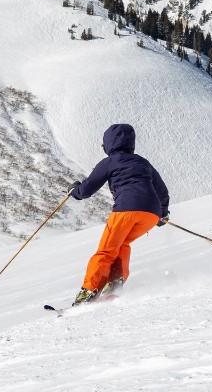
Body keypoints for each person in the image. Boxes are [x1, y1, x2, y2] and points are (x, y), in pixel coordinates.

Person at [68, 123, 170, 305]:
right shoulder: (142, 162)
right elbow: (162, 190)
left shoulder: (110, 162)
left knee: (106, 251)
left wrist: (74, 191)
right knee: (122, 243)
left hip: (127, 209)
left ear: (109, 143)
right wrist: (162, 213)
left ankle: (89, 292)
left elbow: (88, 188)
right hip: (151, 214)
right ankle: (115, 283)